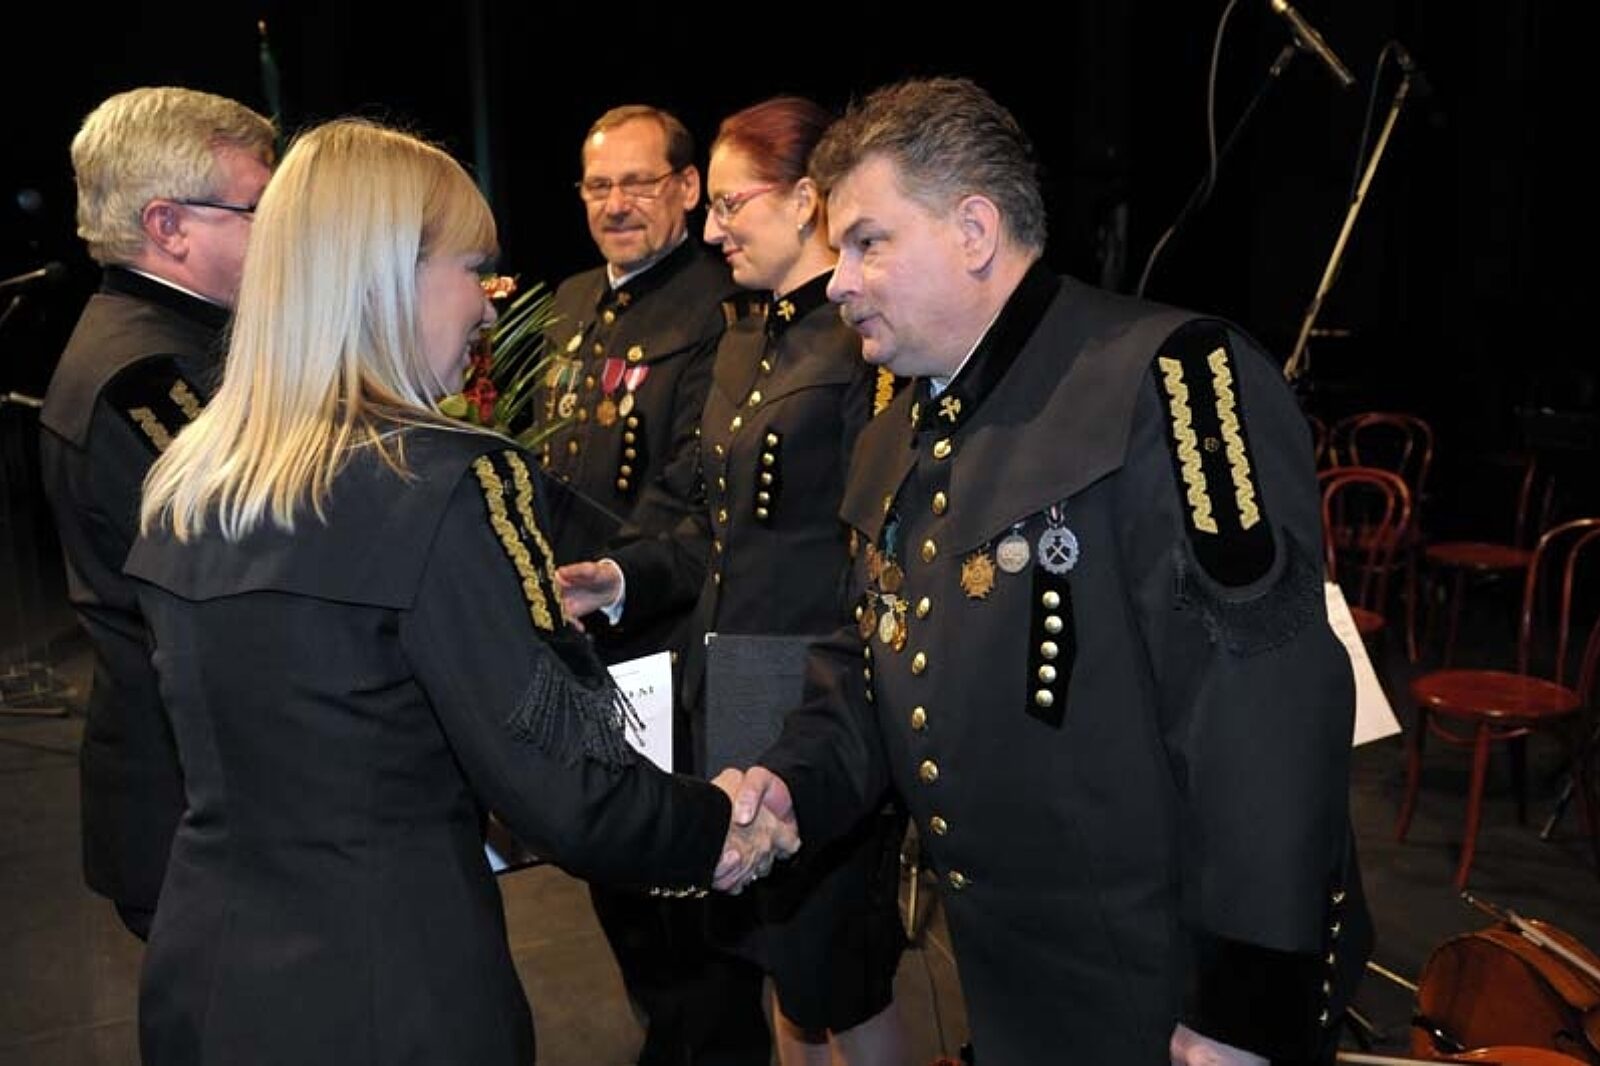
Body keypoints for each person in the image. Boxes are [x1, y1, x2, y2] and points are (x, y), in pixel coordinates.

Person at [122, 118, 795, 1066]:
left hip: (206, 979)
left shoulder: (189, 479)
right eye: (473, 270)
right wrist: (720, 826)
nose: (487, 309)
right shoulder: (442, 483)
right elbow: (567, 788)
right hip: (391, 991)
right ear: (389, 276)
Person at [729, 77, 1373, 1065]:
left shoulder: (1175, 379)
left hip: (1168, 993)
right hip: (1011, 976)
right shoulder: (893, 425)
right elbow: (866, 666)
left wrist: (1245, 1003)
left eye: (866, 242)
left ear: (974, 231)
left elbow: (1263, 710)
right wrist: (790, 787)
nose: (838, 281)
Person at [559, 97, 907, 1066]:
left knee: (838, 972)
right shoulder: (750, 337)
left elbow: (875, 552)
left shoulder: (862, 346)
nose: (713, 231)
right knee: (773, 966)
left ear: (806, 200)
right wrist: (616, 577)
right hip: (733, 684)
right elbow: (700, 522)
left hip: (820, 692)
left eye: (729, 204)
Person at [38, 86, 276, 939]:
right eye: (258, 208)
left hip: (208, 799)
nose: (281, 230)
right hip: (199, 819)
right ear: (169, 226)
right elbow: (262, 573)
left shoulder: (162, 339)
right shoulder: (144, 378)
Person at [536, 104, 740, 666]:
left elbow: (690, 486)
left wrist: (614, 575)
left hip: (656, 626)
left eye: (639, 184)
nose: (616, 205)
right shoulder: (570, 299)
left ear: (689, 187)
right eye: (599, 186)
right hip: (559, 619)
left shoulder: (723, 306)